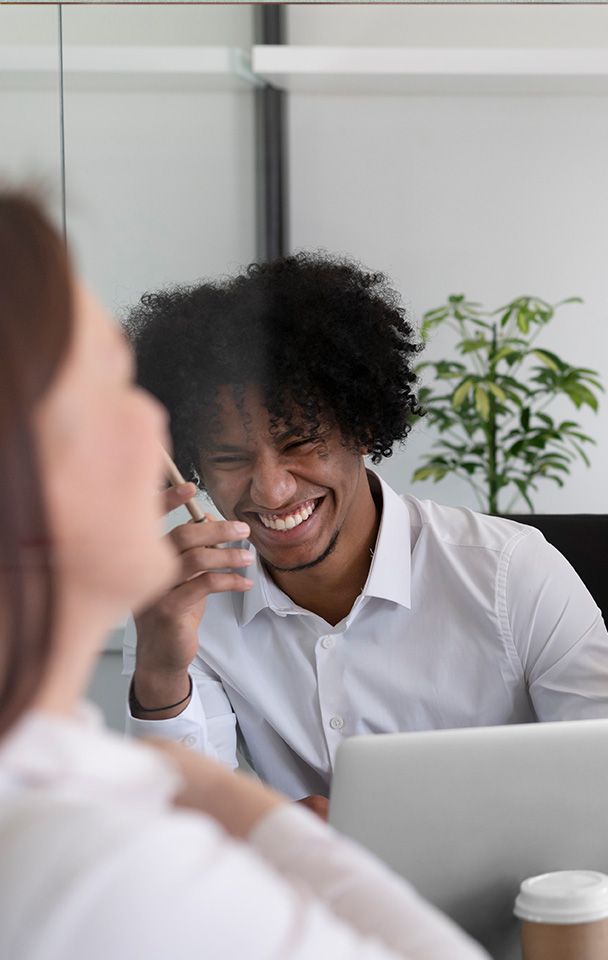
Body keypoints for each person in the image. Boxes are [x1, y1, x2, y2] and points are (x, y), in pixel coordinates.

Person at [0, 190, 491, 960]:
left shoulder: (60, 777)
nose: (151, 425)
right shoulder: (89, 858)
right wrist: (255, 816)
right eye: (106, 389)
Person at [123, 254, 608, 811]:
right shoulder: (182, 605)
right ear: (193, 465)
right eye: (230, 458)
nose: (272, 491)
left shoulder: (512, 575)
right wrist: (160, 672)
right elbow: (186, 828)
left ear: (363, 426)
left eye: (300, 443)